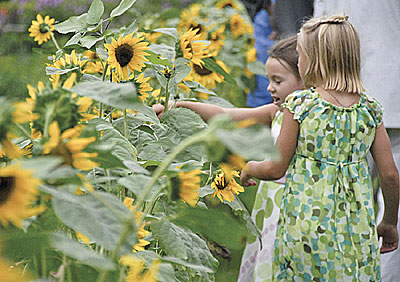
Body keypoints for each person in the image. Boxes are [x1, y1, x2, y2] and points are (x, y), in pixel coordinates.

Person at [240, 15, 399, 281]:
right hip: (355, 228)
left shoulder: (300, 106)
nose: (299, 62)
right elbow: (391, 175)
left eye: (300, 56)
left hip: (303, 227)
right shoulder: (370, 109)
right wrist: (389, 222)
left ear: (313, 60)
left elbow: (277, 167)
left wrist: (250, 168)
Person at [153, 37, 304, 282]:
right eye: (269, 80)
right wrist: (178, 105)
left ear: (307, 78)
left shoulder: (312, 119)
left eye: (278, 81)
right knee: (268, 266)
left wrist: (252, 169)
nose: (269, 88)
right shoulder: (276, 112)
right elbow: (225, 115)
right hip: (271, 206)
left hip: (294, 209)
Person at [313, 2, 400, 281]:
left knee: (334, 195)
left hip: (333, 97)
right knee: (388, 201)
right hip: (391, 89)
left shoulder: (300, 106)